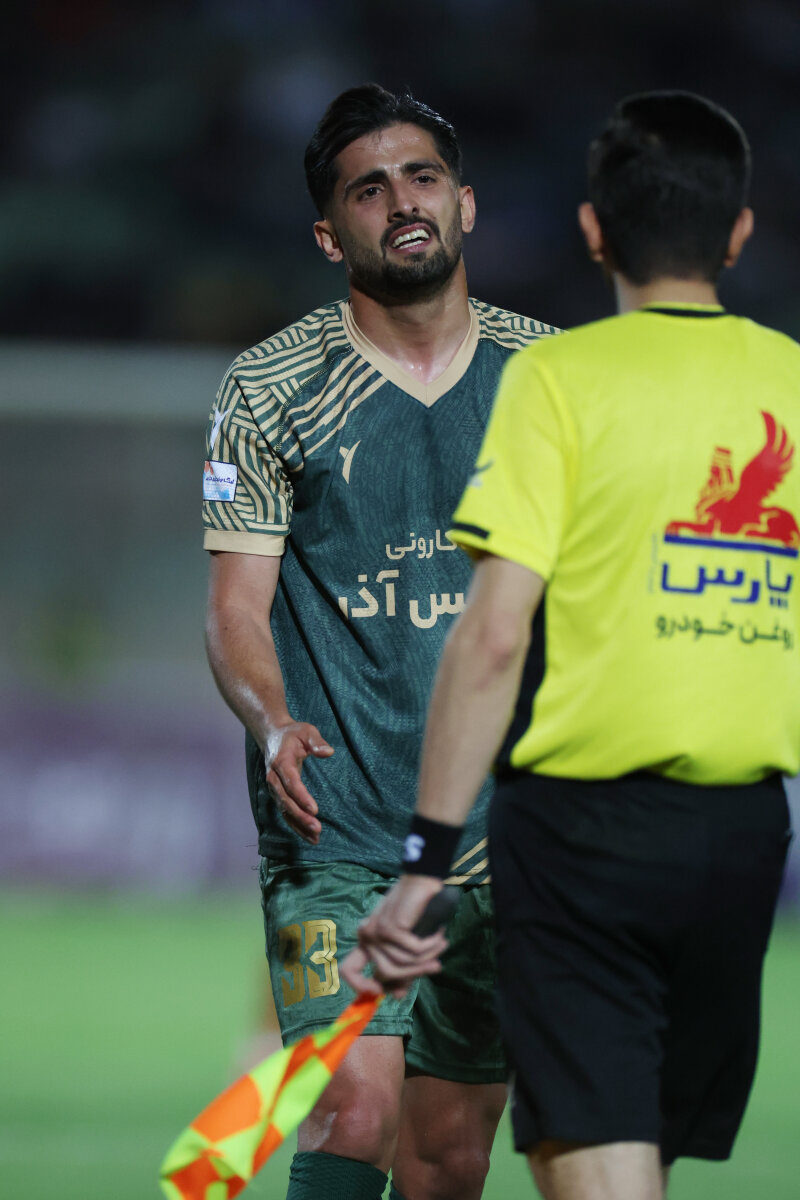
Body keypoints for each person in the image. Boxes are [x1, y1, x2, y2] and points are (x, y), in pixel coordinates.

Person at [344, 91, 798, 1200]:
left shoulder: (557, 378)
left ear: (594, 231)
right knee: (644, 1155)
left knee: (599, 1162)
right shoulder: (792, 381)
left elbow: (493, 635)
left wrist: (423, 862)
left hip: (581, 837)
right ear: (739, 231)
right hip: (743, 840)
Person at [202, 83, 559, 1200]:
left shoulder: (551, 380)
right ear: (328, 235)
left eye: (421, 177)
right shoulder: (267, 387)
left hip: (507, 831)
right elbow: (235, 608)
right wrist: (271, 722)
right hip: (335, 826)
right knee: (350, 1109)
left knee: (448, 1156)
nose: (401, 202)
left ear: (464, 203)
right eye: (367, 189)